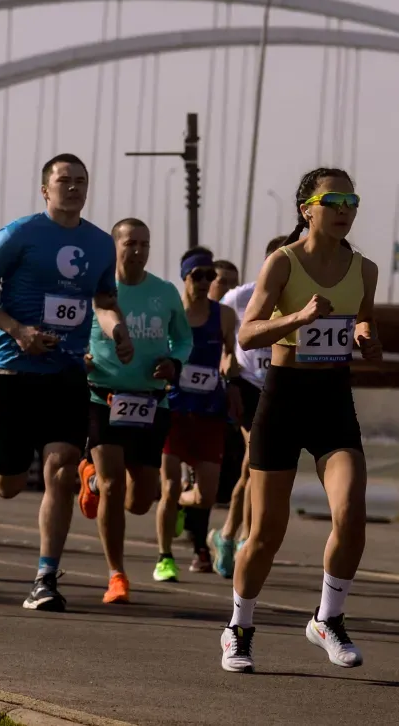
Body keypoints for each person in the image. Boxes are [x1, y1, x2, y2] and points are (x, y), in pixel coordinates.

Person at [221, 167, 383, 674]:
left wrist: (366, 340)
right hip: (283, 398)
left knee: (352, 513)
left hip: (333, 398)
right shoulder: (283, 263)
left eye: (351, 201)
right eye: (332, 200)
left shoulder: (366, 268)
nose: (343, 210)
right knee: (266, 532)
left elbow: (364, 321)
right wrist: (298, 319)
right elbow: (247, 336)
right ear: (306, 208)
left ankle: (327, 619)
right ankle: (238, 627)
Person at [0, 153, 132, 613]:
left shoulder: (100, 244)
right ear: (45, 189)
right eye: (63, 180)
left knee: (60, 471)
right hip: (13, 371)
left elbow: (103, 298)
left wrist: (117, 329)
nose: (73, 187)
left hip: (67, 373)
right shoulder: (21, 234)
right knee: (12, 483)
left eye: (81, 180)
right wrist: (18, 330)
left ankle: (45, 578)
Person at [78, 218, 191, 603]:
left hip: (150, 400)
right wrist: (84, 357)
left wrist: (174, 363)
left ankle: (89, 479)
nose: (138, 250)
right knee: (114, 485)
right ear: (115, 247)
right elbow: (75, 331)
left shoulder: (164, 292)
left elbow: (183, 338)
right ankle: (117, 575)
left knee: (141, 500)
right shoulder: (97, 290)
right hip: (103, 394)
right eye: (130, 243)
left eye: (145, 243)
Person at [158, 247, 239, 579]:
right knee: (168, 486)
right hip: (174, 409)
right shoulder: (169, 313)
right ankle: (165, 558)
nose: (205, 282)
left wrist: (229, 369)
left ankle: (179, 504)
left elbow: (230, 355)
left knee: (206, 495)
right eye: (198, 276)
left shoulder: (224, 316)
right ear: (185, 278)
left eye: (210, 276)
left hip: (209, 413)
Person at [208, 236, 286, 577]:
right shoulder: (240, 296)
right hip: (248, 385)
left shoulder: (303, 297)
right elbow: (223, 333)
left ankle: (228, 535)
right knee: (258, 459)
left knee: (251, 469)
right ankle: (244, 539)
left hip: (281, 387)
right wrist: (227, 363)